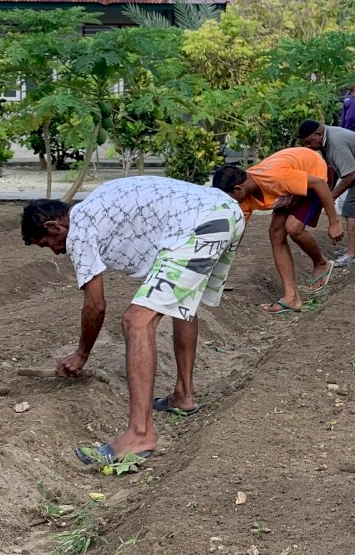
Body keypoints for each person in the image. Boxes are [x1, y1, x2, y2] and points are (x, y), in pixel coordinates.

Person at [20, 176, 246, 465]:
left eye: (47, 243)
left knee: (136, 320)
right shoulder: (97, 203)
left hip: (201, 225)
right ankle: (184, 395)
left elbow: (95, 305)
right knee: (180, 303)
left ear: (54, 226)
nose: (54, 250)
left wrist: (81, 354)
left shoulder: (79, 230)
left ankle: (140, 434)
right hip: (225, 212)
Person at [211, 148, 343, 314]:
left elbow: (319, 183)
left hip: (314, 175)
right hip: (290, 188)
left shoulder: (274, 178)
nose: (231, 203)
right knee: (275, 233)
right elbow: (237, 235)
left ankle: (321, 263)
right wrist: (218, 268)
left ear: (238, 189)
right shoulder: (245, 198)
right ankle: (292, 297)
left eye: (229, 198)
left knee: (293, 227)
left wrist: (334, 222)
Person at [298, 120, 355, 264]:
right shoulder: (327, 141)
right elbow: (336, 168)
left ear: (319, 134)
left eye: (309, 142)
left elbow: (351, 174)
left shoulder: (336, 144)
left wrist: (332, 196)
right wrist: (329, 191)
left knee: (351, 209)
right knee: (354, 209)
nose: (309, 146)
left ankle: (352, 254)